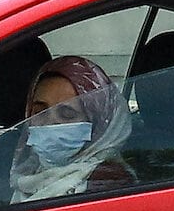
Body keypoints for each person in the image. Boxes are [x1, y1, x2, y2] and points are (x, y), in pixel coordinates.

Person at [11, 55, 133, 202]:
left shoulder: (108, 185)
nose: (50, 122)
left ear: (99, 126)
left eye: (67, 114)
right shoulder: (29, 174)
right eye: (40, 112)